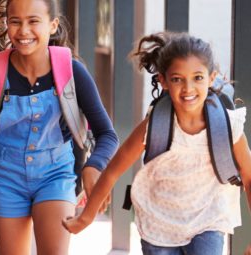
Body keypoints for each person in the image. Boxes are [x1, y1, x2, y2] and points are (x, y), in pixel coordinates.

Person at [0, 0, 118, 254]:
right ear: (6, 24)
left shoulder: (72, 71)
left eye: (33, 21)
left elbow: (107, 134)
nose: (23, 30)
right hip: (5, 177)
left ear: (52, 25)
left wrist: (93, 167)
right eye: (15, 21)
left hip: (56, 174)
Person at [64, 32, 251, 255]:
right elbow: (113, 171)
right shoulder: (156, 124)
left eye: (198, 77)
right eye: (177, 79)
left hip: (208, 222)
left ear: (212, 78)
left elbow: (248, 177)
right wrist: (86, 218)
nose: (188, 88)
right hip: (158, 224)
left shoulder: (228, 126)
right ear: (163, 81)